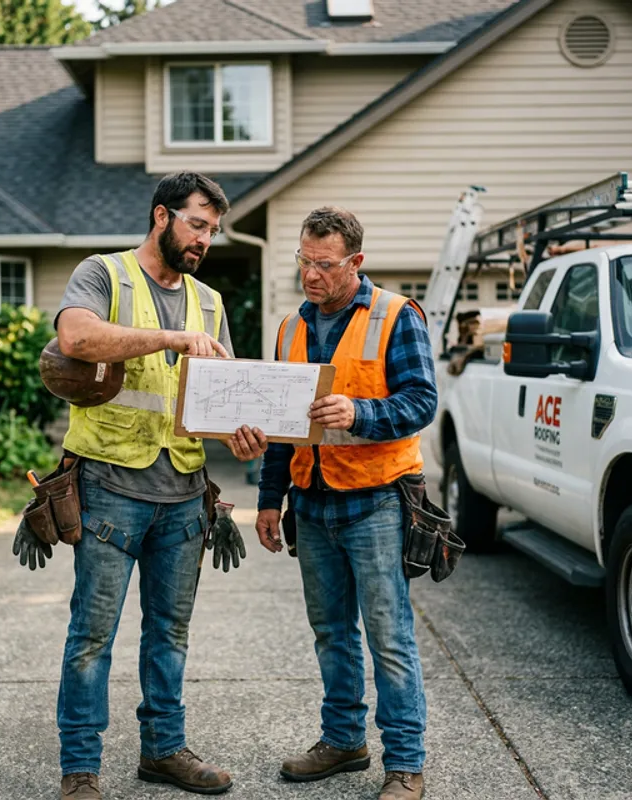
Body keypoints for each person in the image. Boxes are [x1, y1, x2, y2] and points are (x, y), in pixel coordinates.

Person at [32, 172, 266, 800]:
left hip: (184, 496)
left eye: (213, 230)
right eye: (196, 224)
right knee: (92, 637)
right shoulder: (104, 275)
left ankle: (164, 751)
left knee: (170, 635)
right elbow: (75, 337)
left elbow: (219, 401)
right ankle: (80, 769)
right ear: (162, 216)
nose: (205, 240)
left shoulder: (209, 302)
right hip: (109, 489)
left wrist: (241, 438)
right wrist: (170, 337)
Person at [255, 207, 437, 800]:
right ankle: (343, 742)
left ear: (355, 261)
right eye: (303, 261)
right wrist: (268, 500)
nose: (310, 274)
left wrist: (361, 413)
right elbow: (282, 427)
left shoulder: (396, 315)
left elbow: (421, 401)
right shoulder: (290, 328)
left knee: (389, 637)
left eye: (324, 264)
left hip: (377, 503)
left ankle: (405, 764)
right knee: (331, 633)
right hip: (311, 505)